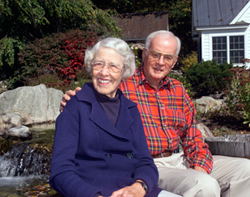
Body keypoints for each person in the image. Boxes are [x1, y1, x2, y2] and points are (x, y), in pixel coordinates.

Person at [60, 31, 250, 197]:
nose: (160, 62)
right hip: (152, 164)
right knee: (204, 185)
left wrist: (199, 166)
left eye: (167, 57)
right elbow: (98, 89)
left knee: (246, 170)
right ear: (144, 54)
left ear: (174, 61)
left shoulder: (177, 89)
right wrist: (73, 98)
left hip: (181, 158)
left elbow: (192, 136)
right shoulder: (123, 83)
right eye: (155, 55)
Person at [49, 37, 179, 197]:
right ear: (91, 67)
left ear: (124, 71)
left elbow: (145, 162)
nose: (104, 72)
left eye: (113, 66)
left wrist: (139, 187)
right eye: (99, 64)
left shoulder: (131, 109)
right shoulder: (75, 106)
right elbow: (60, 172)